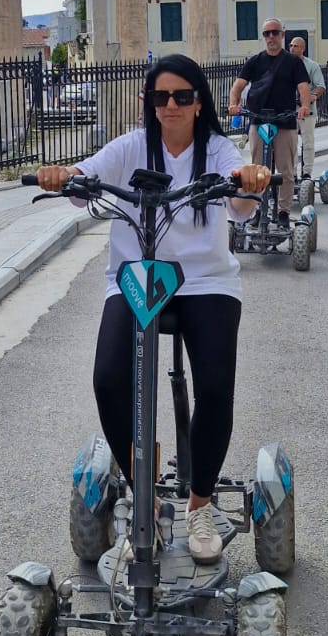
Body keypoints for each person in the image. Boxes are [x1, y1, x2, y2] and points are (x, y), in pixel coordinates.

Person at [35, 54, 270, 564]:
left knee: (214, 386)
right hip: (138, 278)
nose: (171, 105)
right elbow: (88, 174)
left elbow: (238, 194)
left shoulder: (215, 149)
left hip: (205, 280)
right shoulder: (131, 147)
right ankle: (144, 492)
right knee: (107, 378)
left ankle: (199, 502)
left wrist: (250, 180)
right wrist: (65, 175)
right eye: (160, 96)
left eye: (182, 96)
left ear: (198, 101)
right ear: (149, 102)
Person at [227, 19, 312, 227]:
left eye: (275, 33)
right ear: (263, 37)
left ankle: (283, 211)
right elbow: (237, 86)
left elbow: (303, 88)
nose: (271, 37)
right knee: (256, 171)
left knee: (286, 170)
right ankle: (256, 209)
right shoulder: (255, 61)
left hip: (284, 119)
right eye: (267, 34)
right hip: (258, 118)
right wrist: (234, 104)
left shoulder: (293, 62)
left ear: (282, 35)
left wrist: (304, 106)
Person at [287, 36, 324, 178]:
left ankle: (306, 173)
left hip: (307, 110)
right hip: (290, 110)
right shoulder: (285, 64)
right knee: (291, 143)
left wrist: (313, 96)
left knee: (307, 142)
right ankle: (293, 174)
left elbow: (320, 85)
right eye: (291, 45)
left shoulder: (312, 65)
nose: (292, 48)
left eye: (295, 46)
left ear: (303, 48)